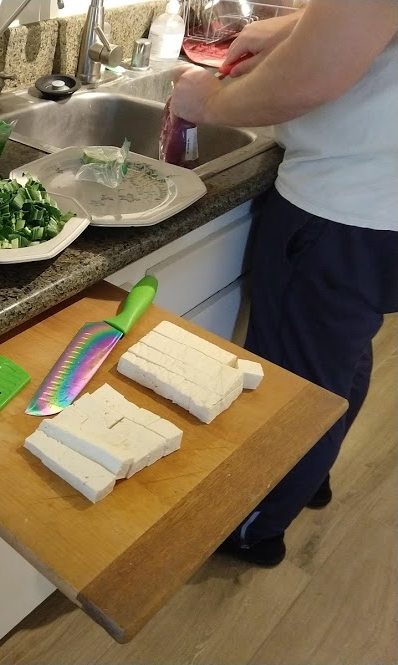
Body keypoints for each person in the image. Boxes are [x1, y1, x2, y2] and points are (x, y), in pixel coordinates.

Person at [170, 0, 398, 566]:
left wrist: (208, 102)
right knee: (337, 360)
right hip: (379, 210)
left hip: (342, 211)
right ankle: (309, 475)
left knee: (294, 388)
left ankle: (258, 524)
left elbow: (315, 75)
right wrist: (299, 26)